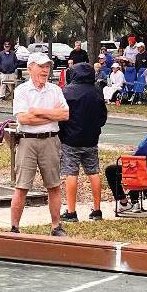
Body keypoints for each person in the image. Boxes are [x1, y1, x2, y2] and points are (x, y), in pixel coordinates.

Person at [11, 52, 69, 236]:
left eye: (47, 67)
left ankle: (56, 226)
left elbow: (65, 114)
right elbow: (24, 119)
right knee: (21, 186)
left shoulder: (55, 90)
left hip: (51, 140)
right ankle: (14, 228)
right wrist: (51, 115)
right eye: (41, 66)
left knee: (53, 185)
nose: (45, 70)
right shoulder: (22, 90)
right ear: (30, 69)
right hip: (27, 140)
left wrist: (37, 111)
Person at [59, 63, 108, 222]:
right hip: (91, 138)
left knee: (71, 173)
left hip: (71, 139)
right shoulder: (97, 91)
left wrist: (62, 133)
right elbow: (103, 117)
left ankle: (71, 211)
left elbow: (62, 117)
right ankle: (97, 210)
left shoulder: (67, 91)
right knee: (93, 172)